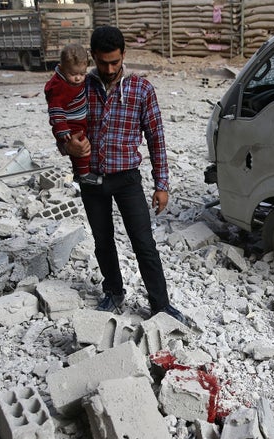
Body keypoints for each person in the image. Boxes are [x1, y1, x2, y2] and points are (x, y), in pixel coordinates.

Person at [63, 25, 187, 325]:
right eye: (103, 62)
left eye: (115, 62)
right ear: (93, 57)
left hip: (128, 178)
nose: (109, 68)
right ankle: (114, 292)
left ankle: (160, 305)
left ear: (123, 56)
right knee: (102, 240)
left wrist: (162, 184)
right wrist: (68, 146)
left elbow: (156, 138)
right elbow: (62, 127)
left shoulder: (141, 89)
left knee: (144, 242)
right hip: (91, 179)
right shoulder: (80, 87)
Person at [44, 43, 101, 185]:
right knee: (82, 148)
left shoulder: (78, 80)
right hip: (69, 125)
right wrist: (62, 129)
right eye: (73, 74)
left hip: (79, 120)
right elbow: (56, 109)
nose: (78, 78)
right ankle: (84, 174)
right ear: (62, 68)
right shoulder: (58, 86)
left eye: (82, 74)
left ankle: (78, 172)